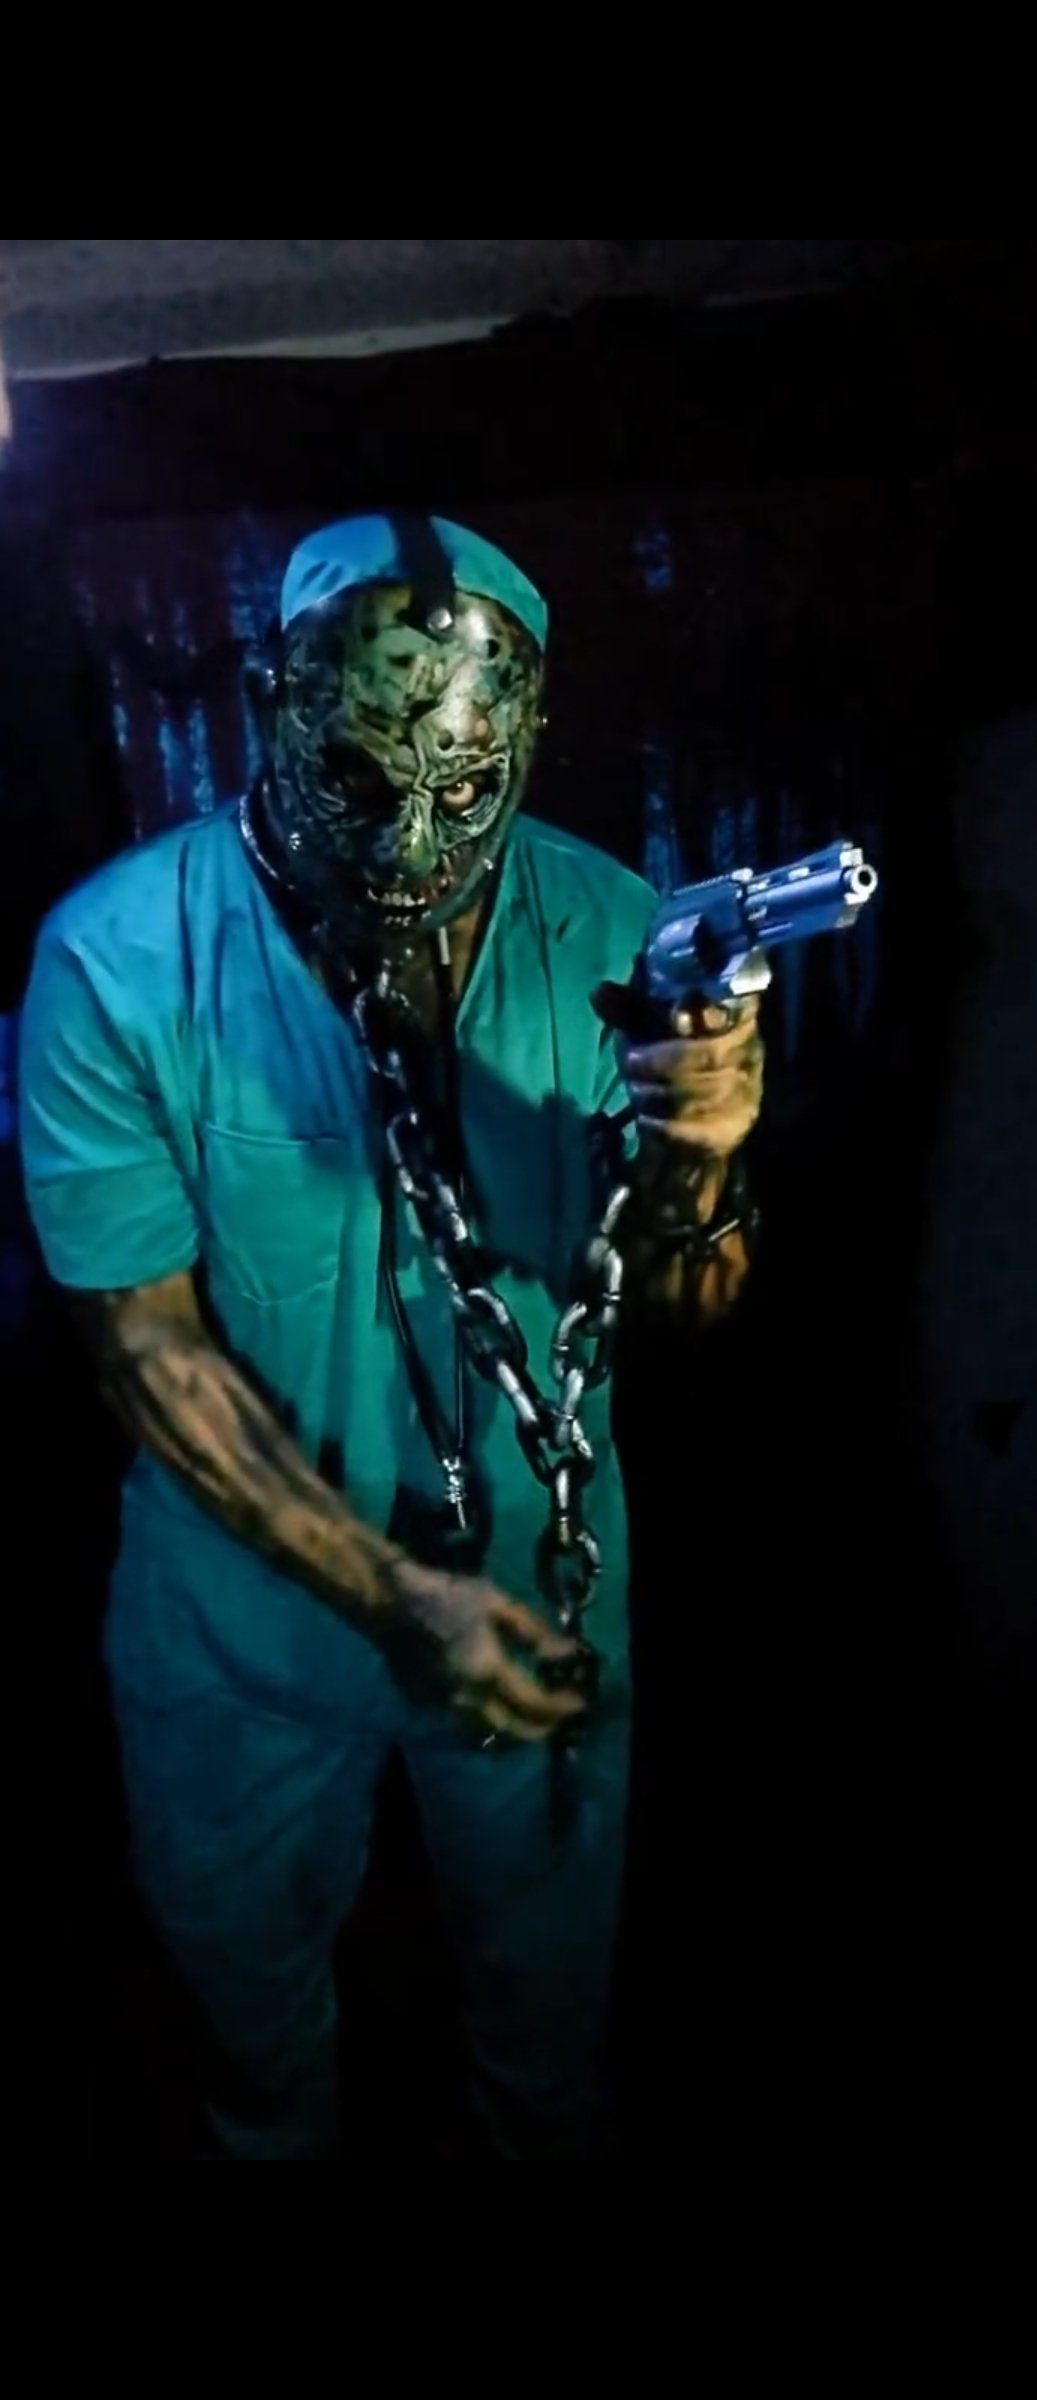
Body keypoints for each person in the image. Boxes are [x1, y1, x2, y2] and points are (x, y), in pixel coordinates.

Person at [19, 514, 764, 2160]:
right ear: (269, 706)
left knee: (548, 2041)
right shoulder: (119, 960)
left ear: (532, 739)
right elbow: (147, 1354)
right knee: (252, 2045)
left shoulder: (616, 931)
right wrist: (387, 1595)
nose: (415, 844)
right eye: (357, 779)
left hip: (542, 1602)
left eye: (468, 784)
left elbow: (687, 1319)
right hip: (241, 1645)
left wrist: (703, 1163)